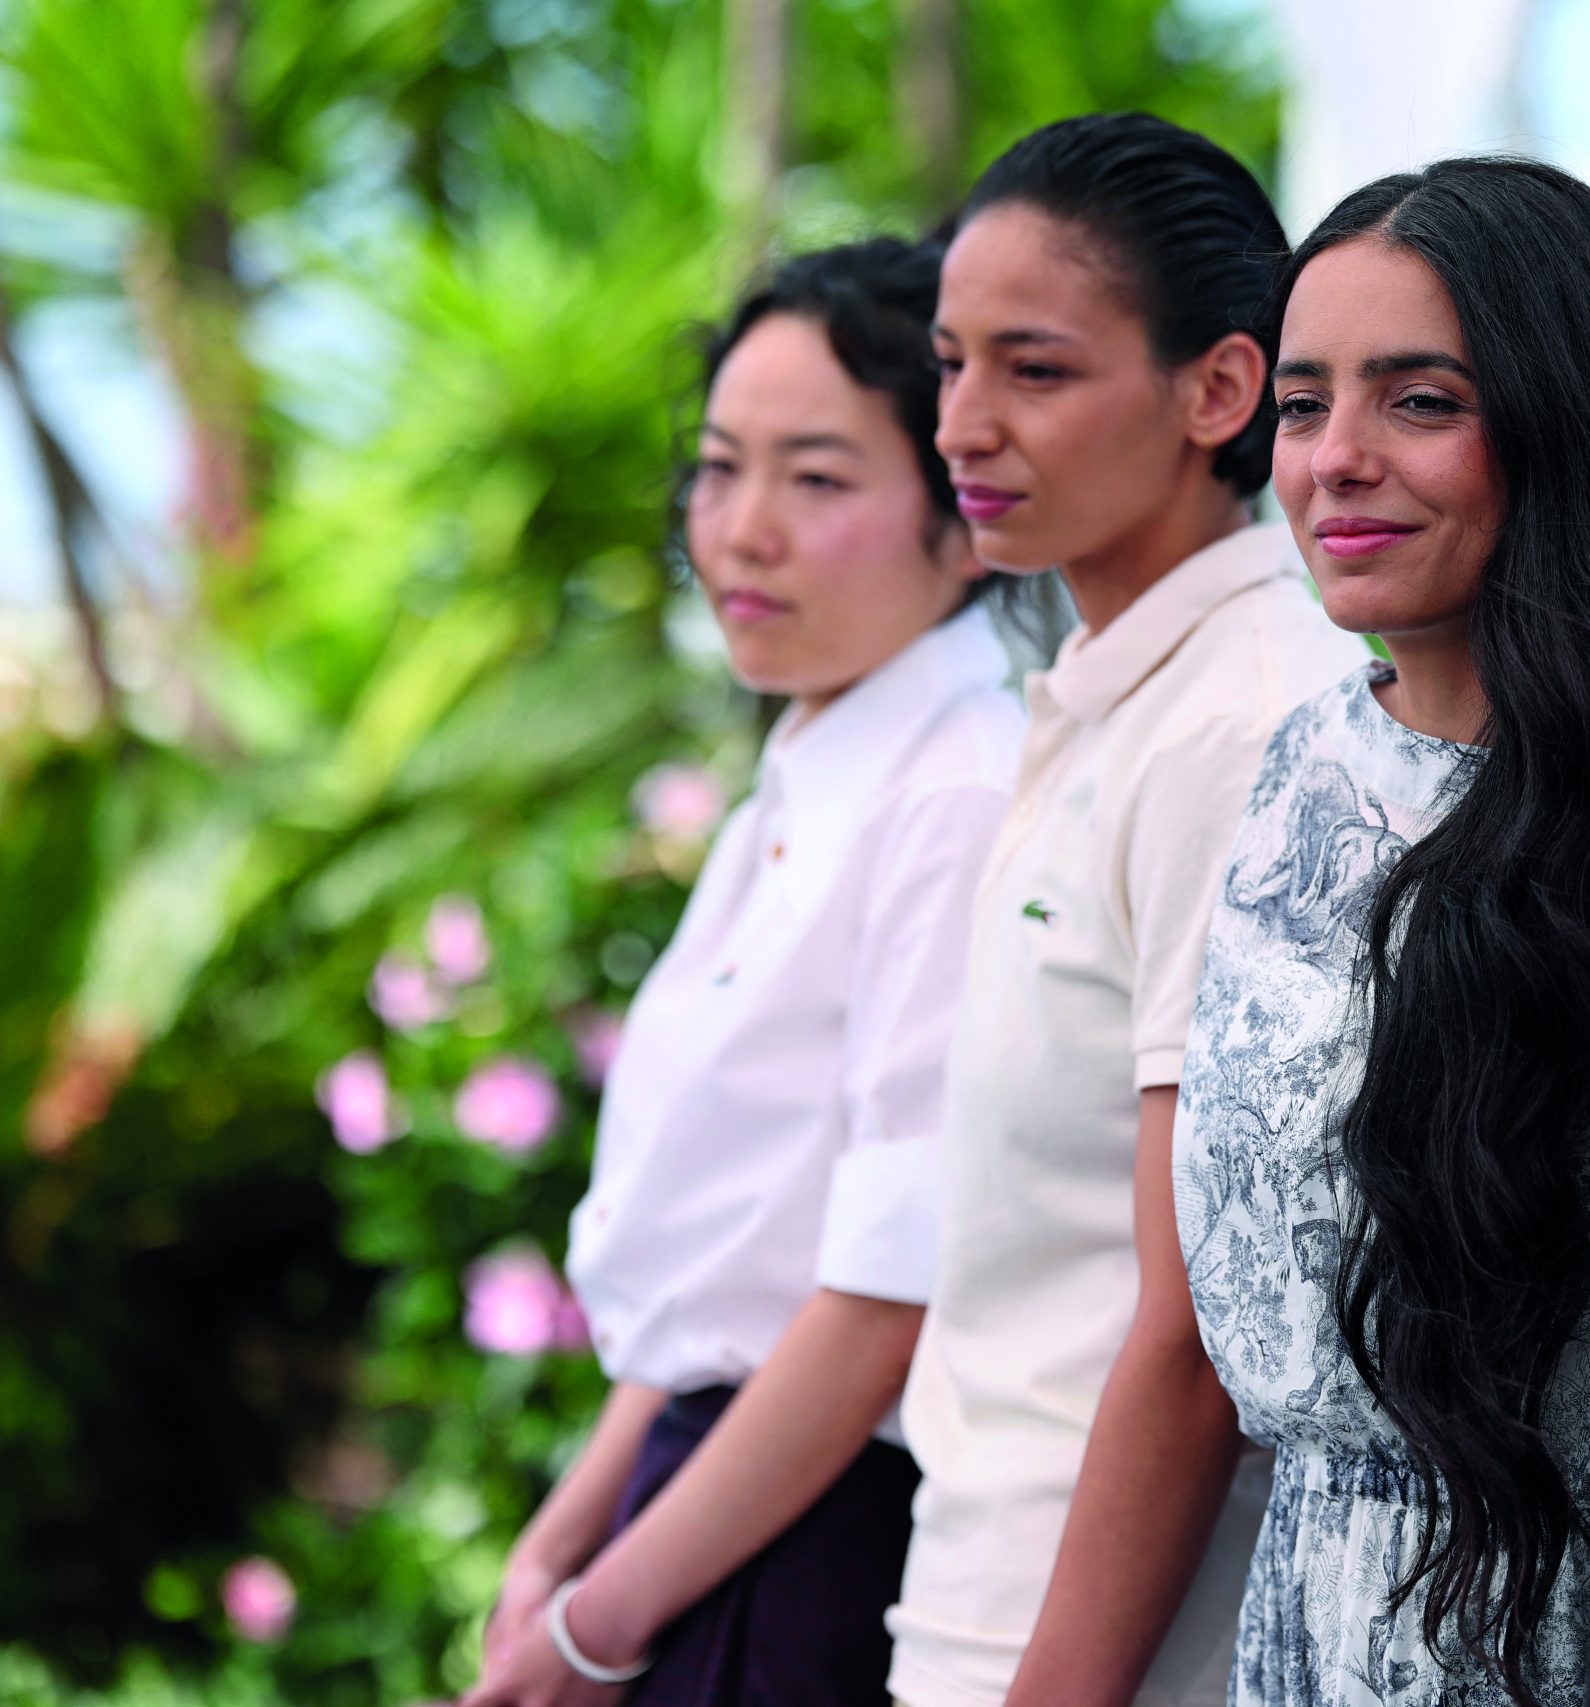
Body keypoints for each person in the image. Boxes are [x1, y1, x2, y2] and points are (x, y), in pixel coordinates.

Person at [1172, 158, 1590, 1707]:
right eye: (1305, 404)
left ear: (1567, 427)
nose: (1338, 459)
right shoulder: (1299, 767)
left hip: (1580, 1639)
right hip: (1293, 1620)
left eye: (1419, 402)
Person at [463, 239, 1024, 1707]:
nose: (740, 532)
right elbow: (720, 1278)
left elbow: (878, 1307)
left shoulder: (955, 792)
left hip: (813, 1530)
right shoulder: (810, 762)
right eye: (718, 470)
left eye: (818, 479)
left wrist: (598, 1622)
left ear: (968, 516)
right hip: (692, 1497)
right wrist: (562, 1544)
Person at [887, 114, 1373, 1707]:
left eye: (1033, 370)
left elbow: (1196, 1328)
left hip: (1108, 1652)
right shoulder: (1119, 689)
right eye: (949, 364)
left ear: (1219, 390)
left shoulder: (1243, 718)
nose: (962, 423)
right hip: (978, 1597)